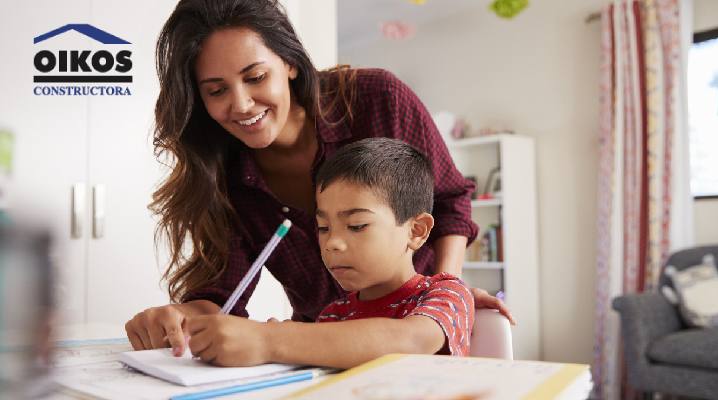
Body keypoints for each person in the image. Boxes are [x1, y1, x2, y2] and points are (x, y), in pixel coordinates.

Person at [125, 0, 514, 356]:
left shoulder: (378, 99)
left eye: (256, 77)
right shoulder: (224, 174)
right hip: (318, 352)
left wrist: (445, 288)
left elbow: (448, 202)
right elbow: (221, 296)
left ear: (289, 63)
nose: (241, 104)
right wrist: (179, 318)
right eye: (216, 90)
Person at [185, 138, 474, 367]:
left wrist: (269, 340)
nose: (332, 243)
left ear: (417, 231)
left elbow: (410, 341)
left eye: (357, 225)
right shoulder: (335, 316)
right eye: (323, 227)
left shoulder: (446, 294)